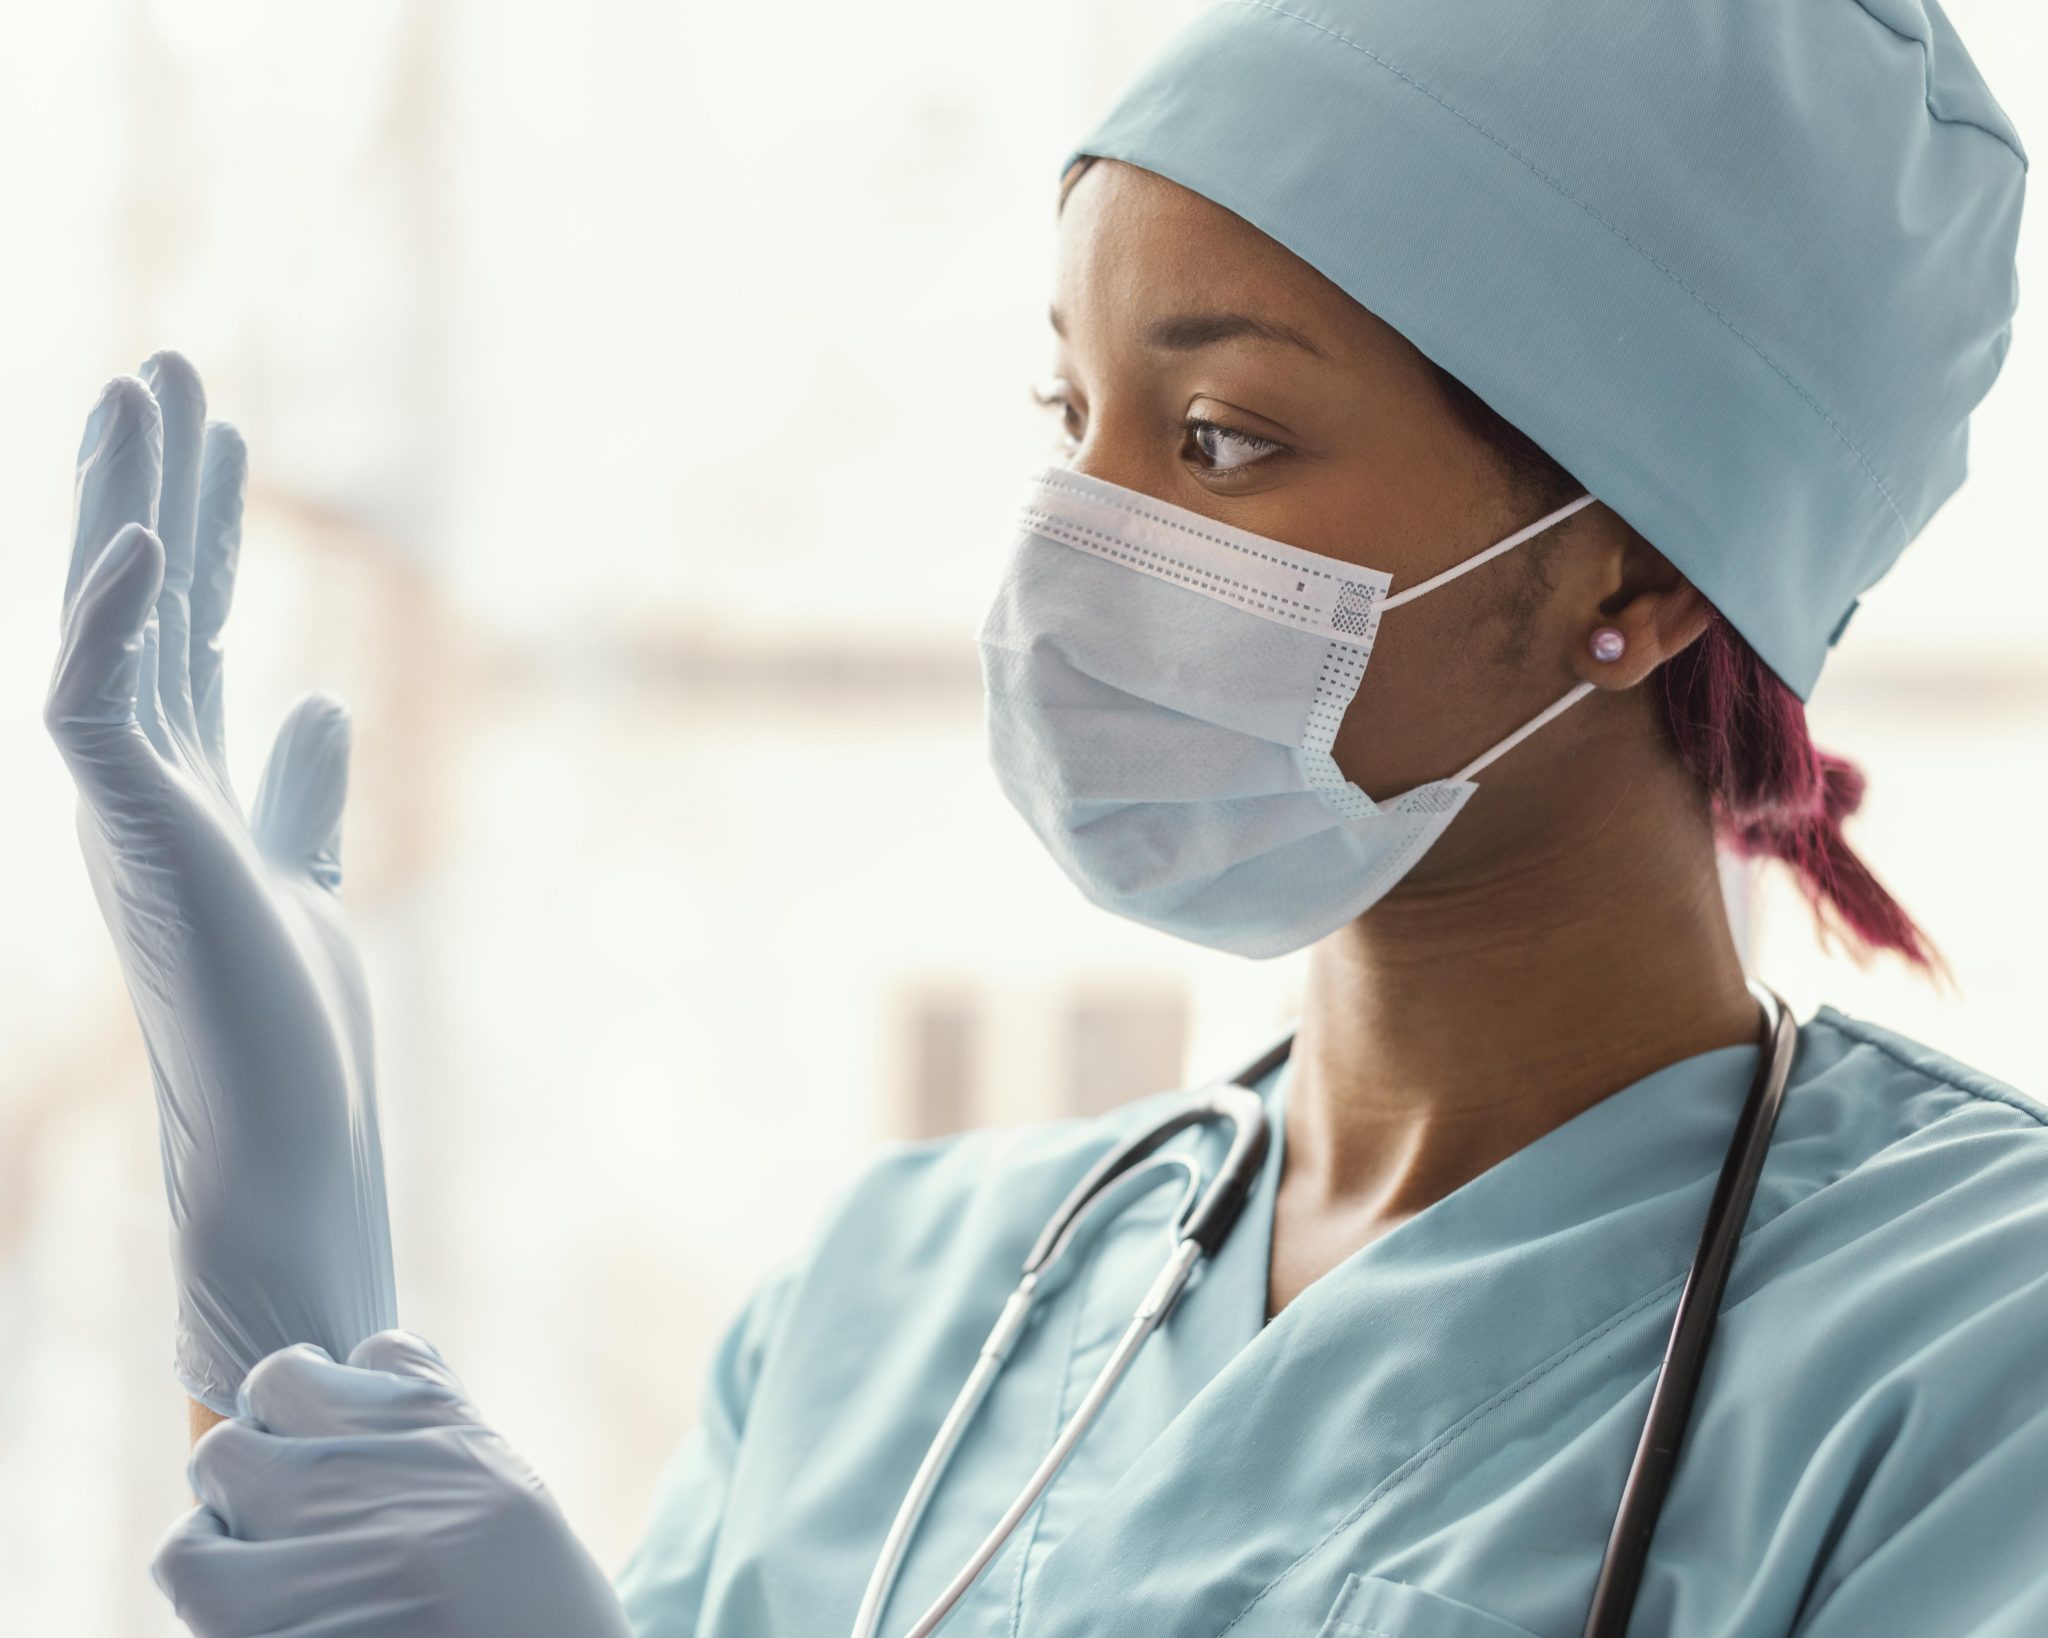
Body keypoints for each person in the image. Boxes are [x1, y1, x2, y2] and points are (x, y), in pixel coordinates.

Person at [44, 1, 2044, 1634]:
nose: (1084, 541)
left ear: (1644, 568)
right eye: (1064, 419)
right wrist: (291, 1338)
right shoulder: (898, 1312)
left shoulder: (1969, 1356)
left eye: (1221, 439)